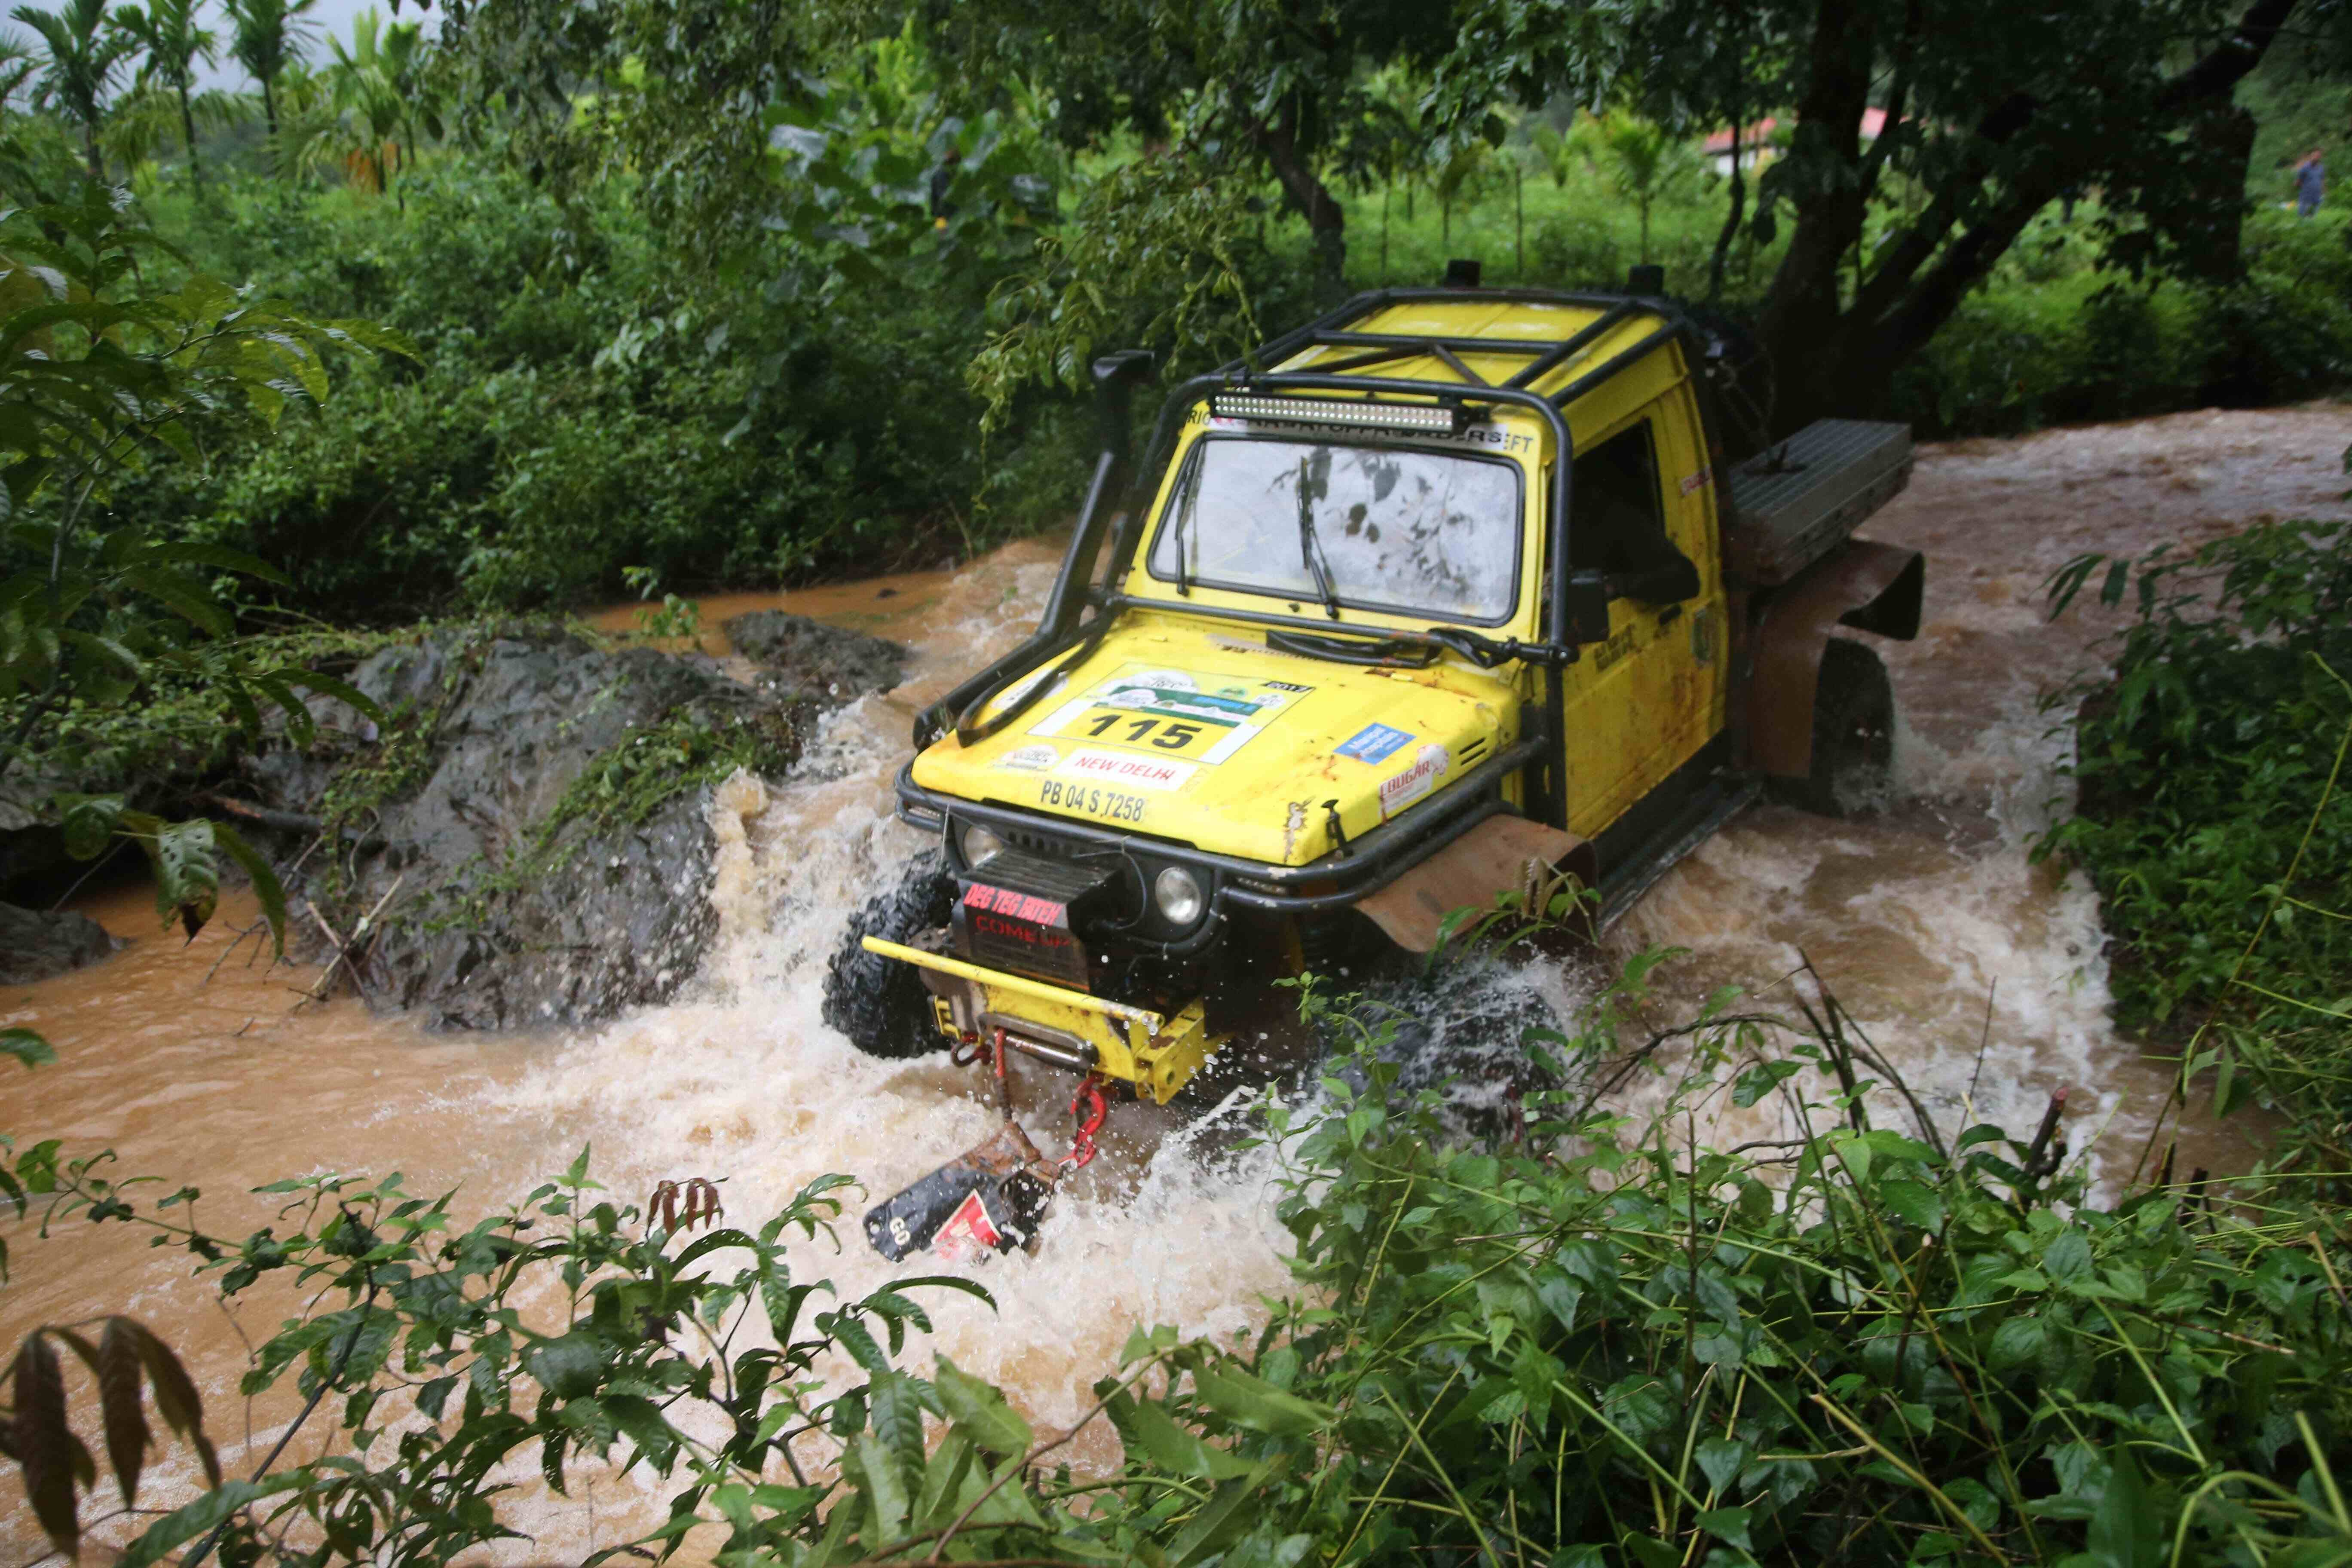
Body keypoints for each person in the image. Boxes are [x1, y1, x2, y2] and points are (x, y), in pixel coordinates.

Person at [2296, 148, 2326, 220]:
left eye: (2318, 156)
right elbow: (2298, 182)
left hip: (2317, 196)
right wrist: (2306, 189)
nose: (2316, 157)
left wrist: (2324, 192)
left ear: (2320, 157)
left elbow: (2322, 180)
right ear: (2310, 156)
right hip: (2306, 197)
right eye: (2314, 155)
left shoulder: (2321, 168)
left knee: (2312, 217)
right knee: (2302, 216)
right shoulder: (2305, 168)